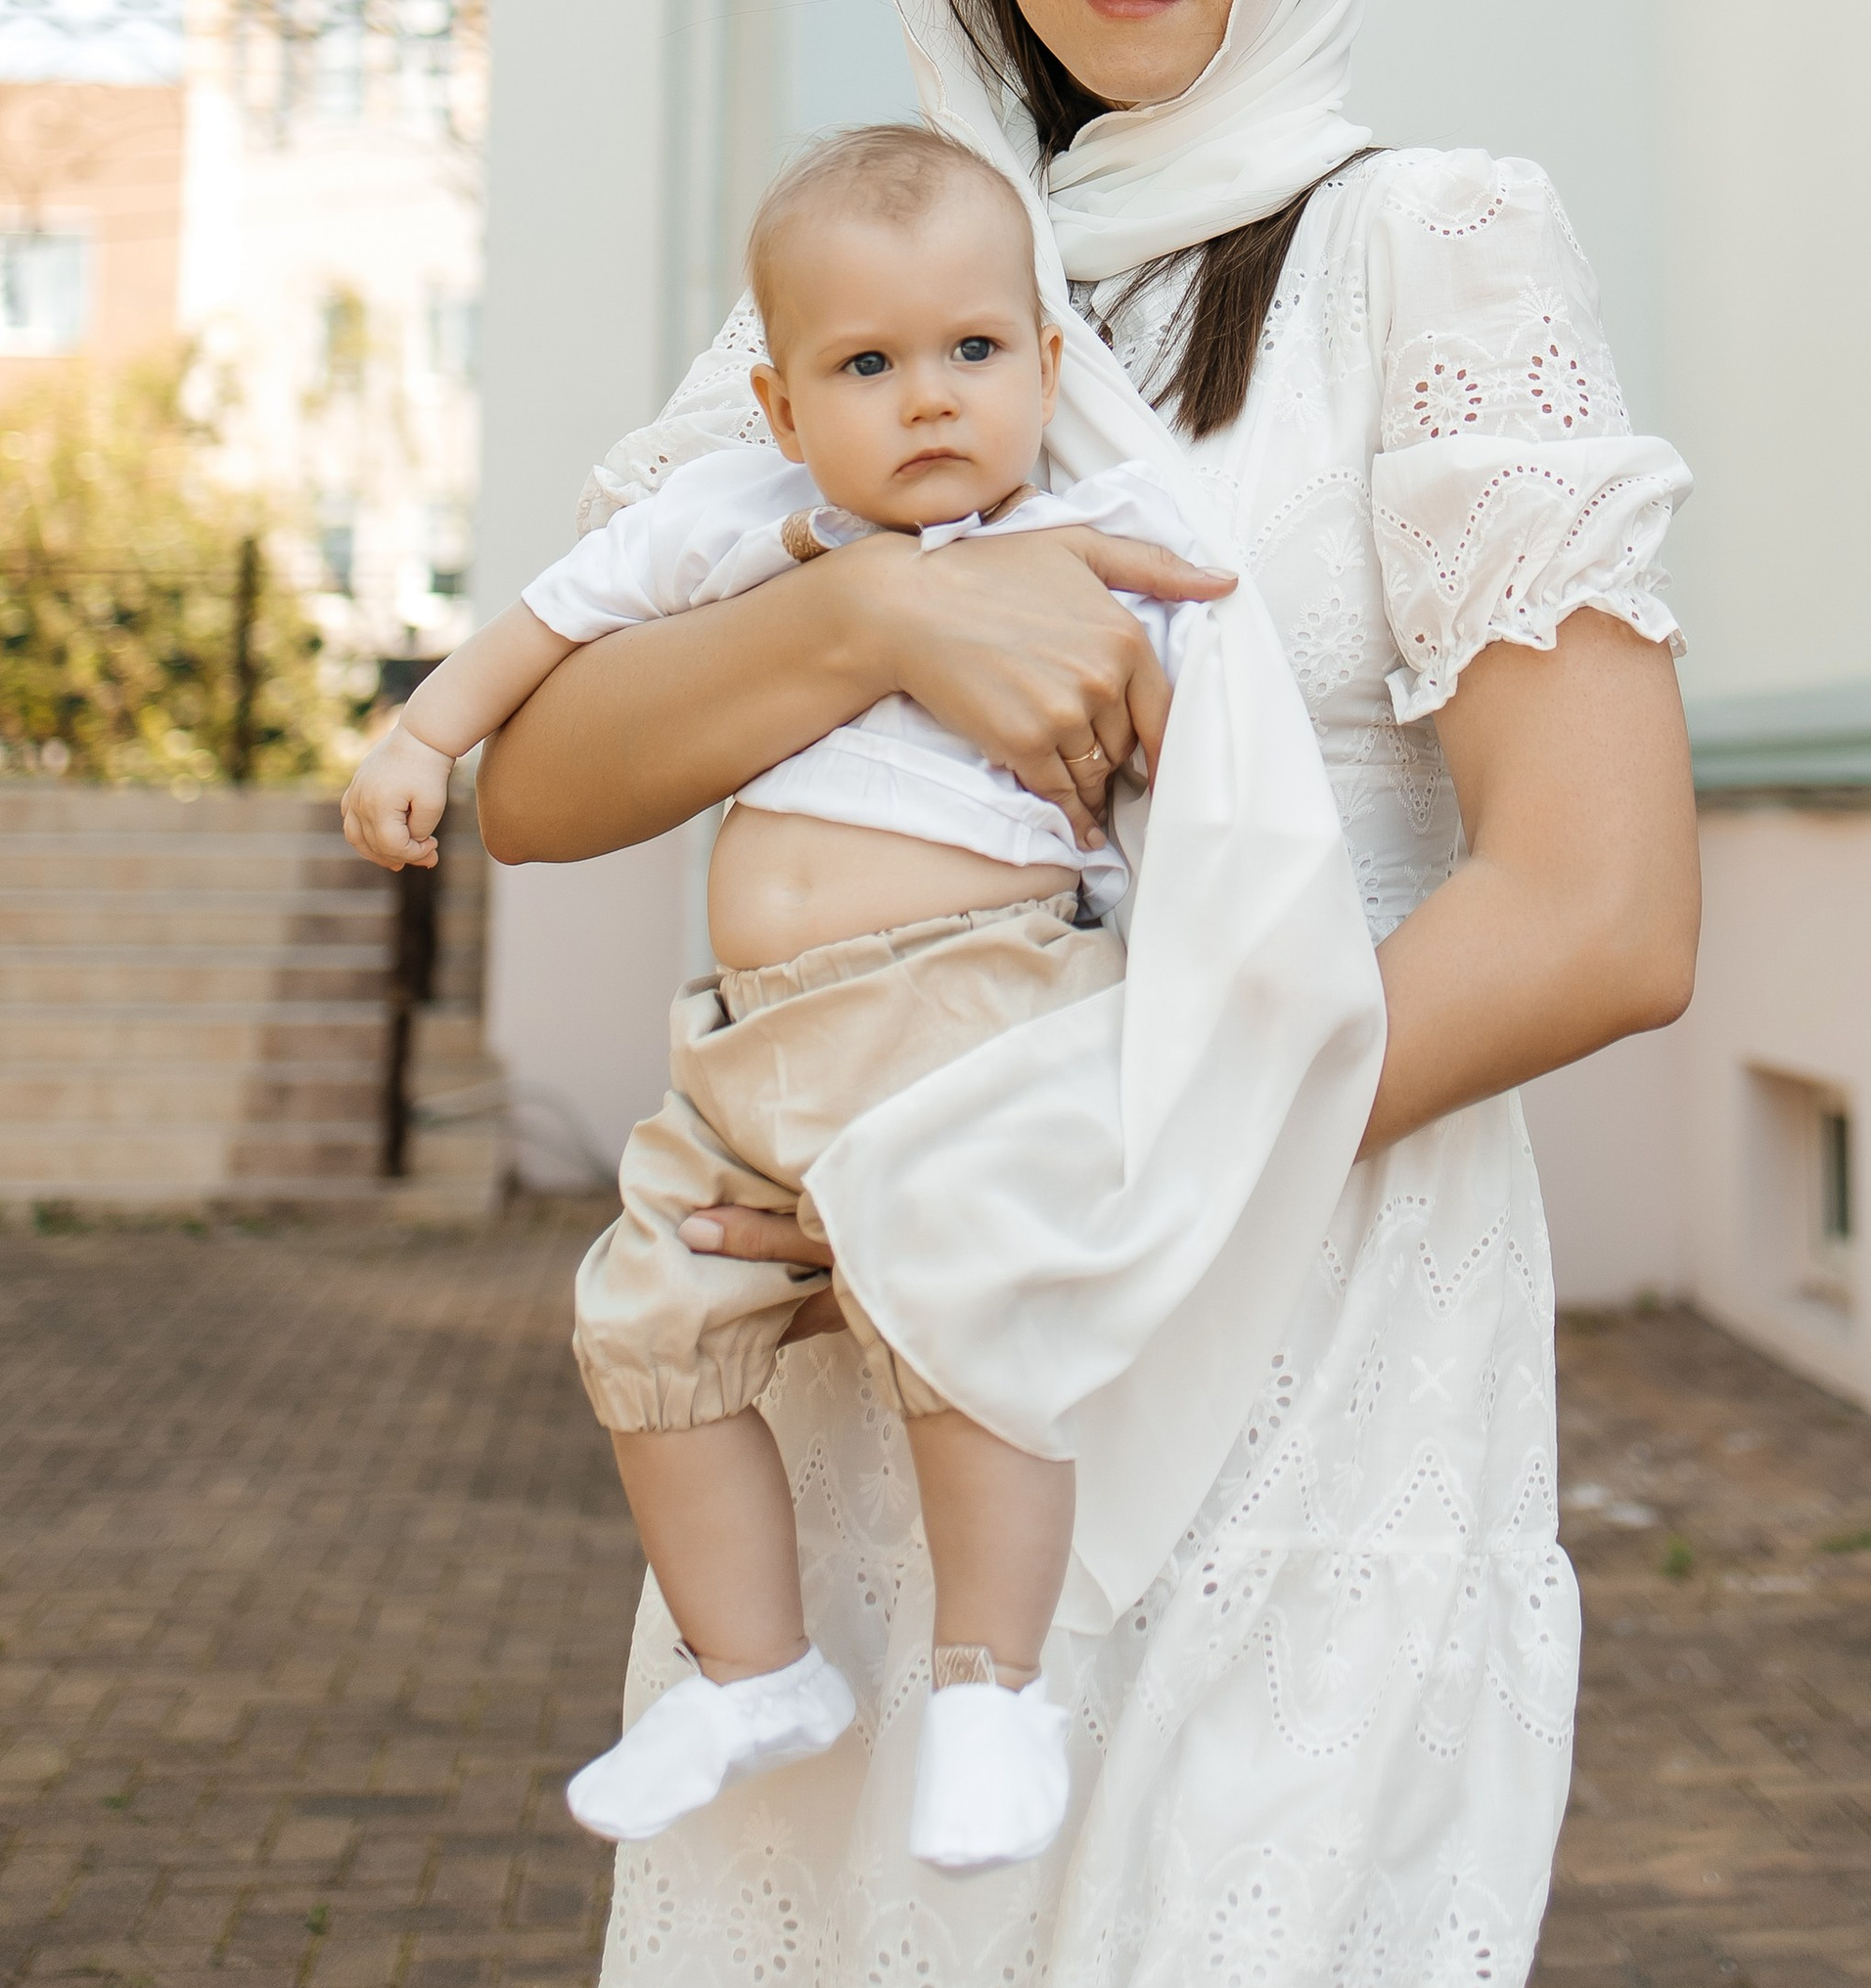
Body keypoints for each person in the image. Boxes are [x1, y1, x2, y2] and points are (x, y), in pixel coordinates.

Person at [483, 0, 1702, 1988]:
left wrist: (1077, 1151)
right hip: (889, 1385)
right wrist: (881, 631)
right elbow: (552, 777)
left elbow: (1602, 908)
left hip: (1291, 1336)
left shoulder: (1425, 243)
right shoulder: (886, 273)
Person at [342, 119, 1257, 1872]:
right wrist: (422, 734)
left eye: (975, 353)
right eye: (868, 364)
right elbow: (550, 618)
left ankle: (994, 1690)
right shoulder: (752, 528)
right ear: (781, 409)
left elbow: (1210, 774)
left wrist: (1159, 1027)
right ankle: (748, 1670)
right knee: (643, 1323)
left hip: (974, 1010)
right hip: (754, 1050)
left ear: (1050, 368)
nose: (929, 399)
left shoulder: (1099, 538)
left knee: (959, 1339)